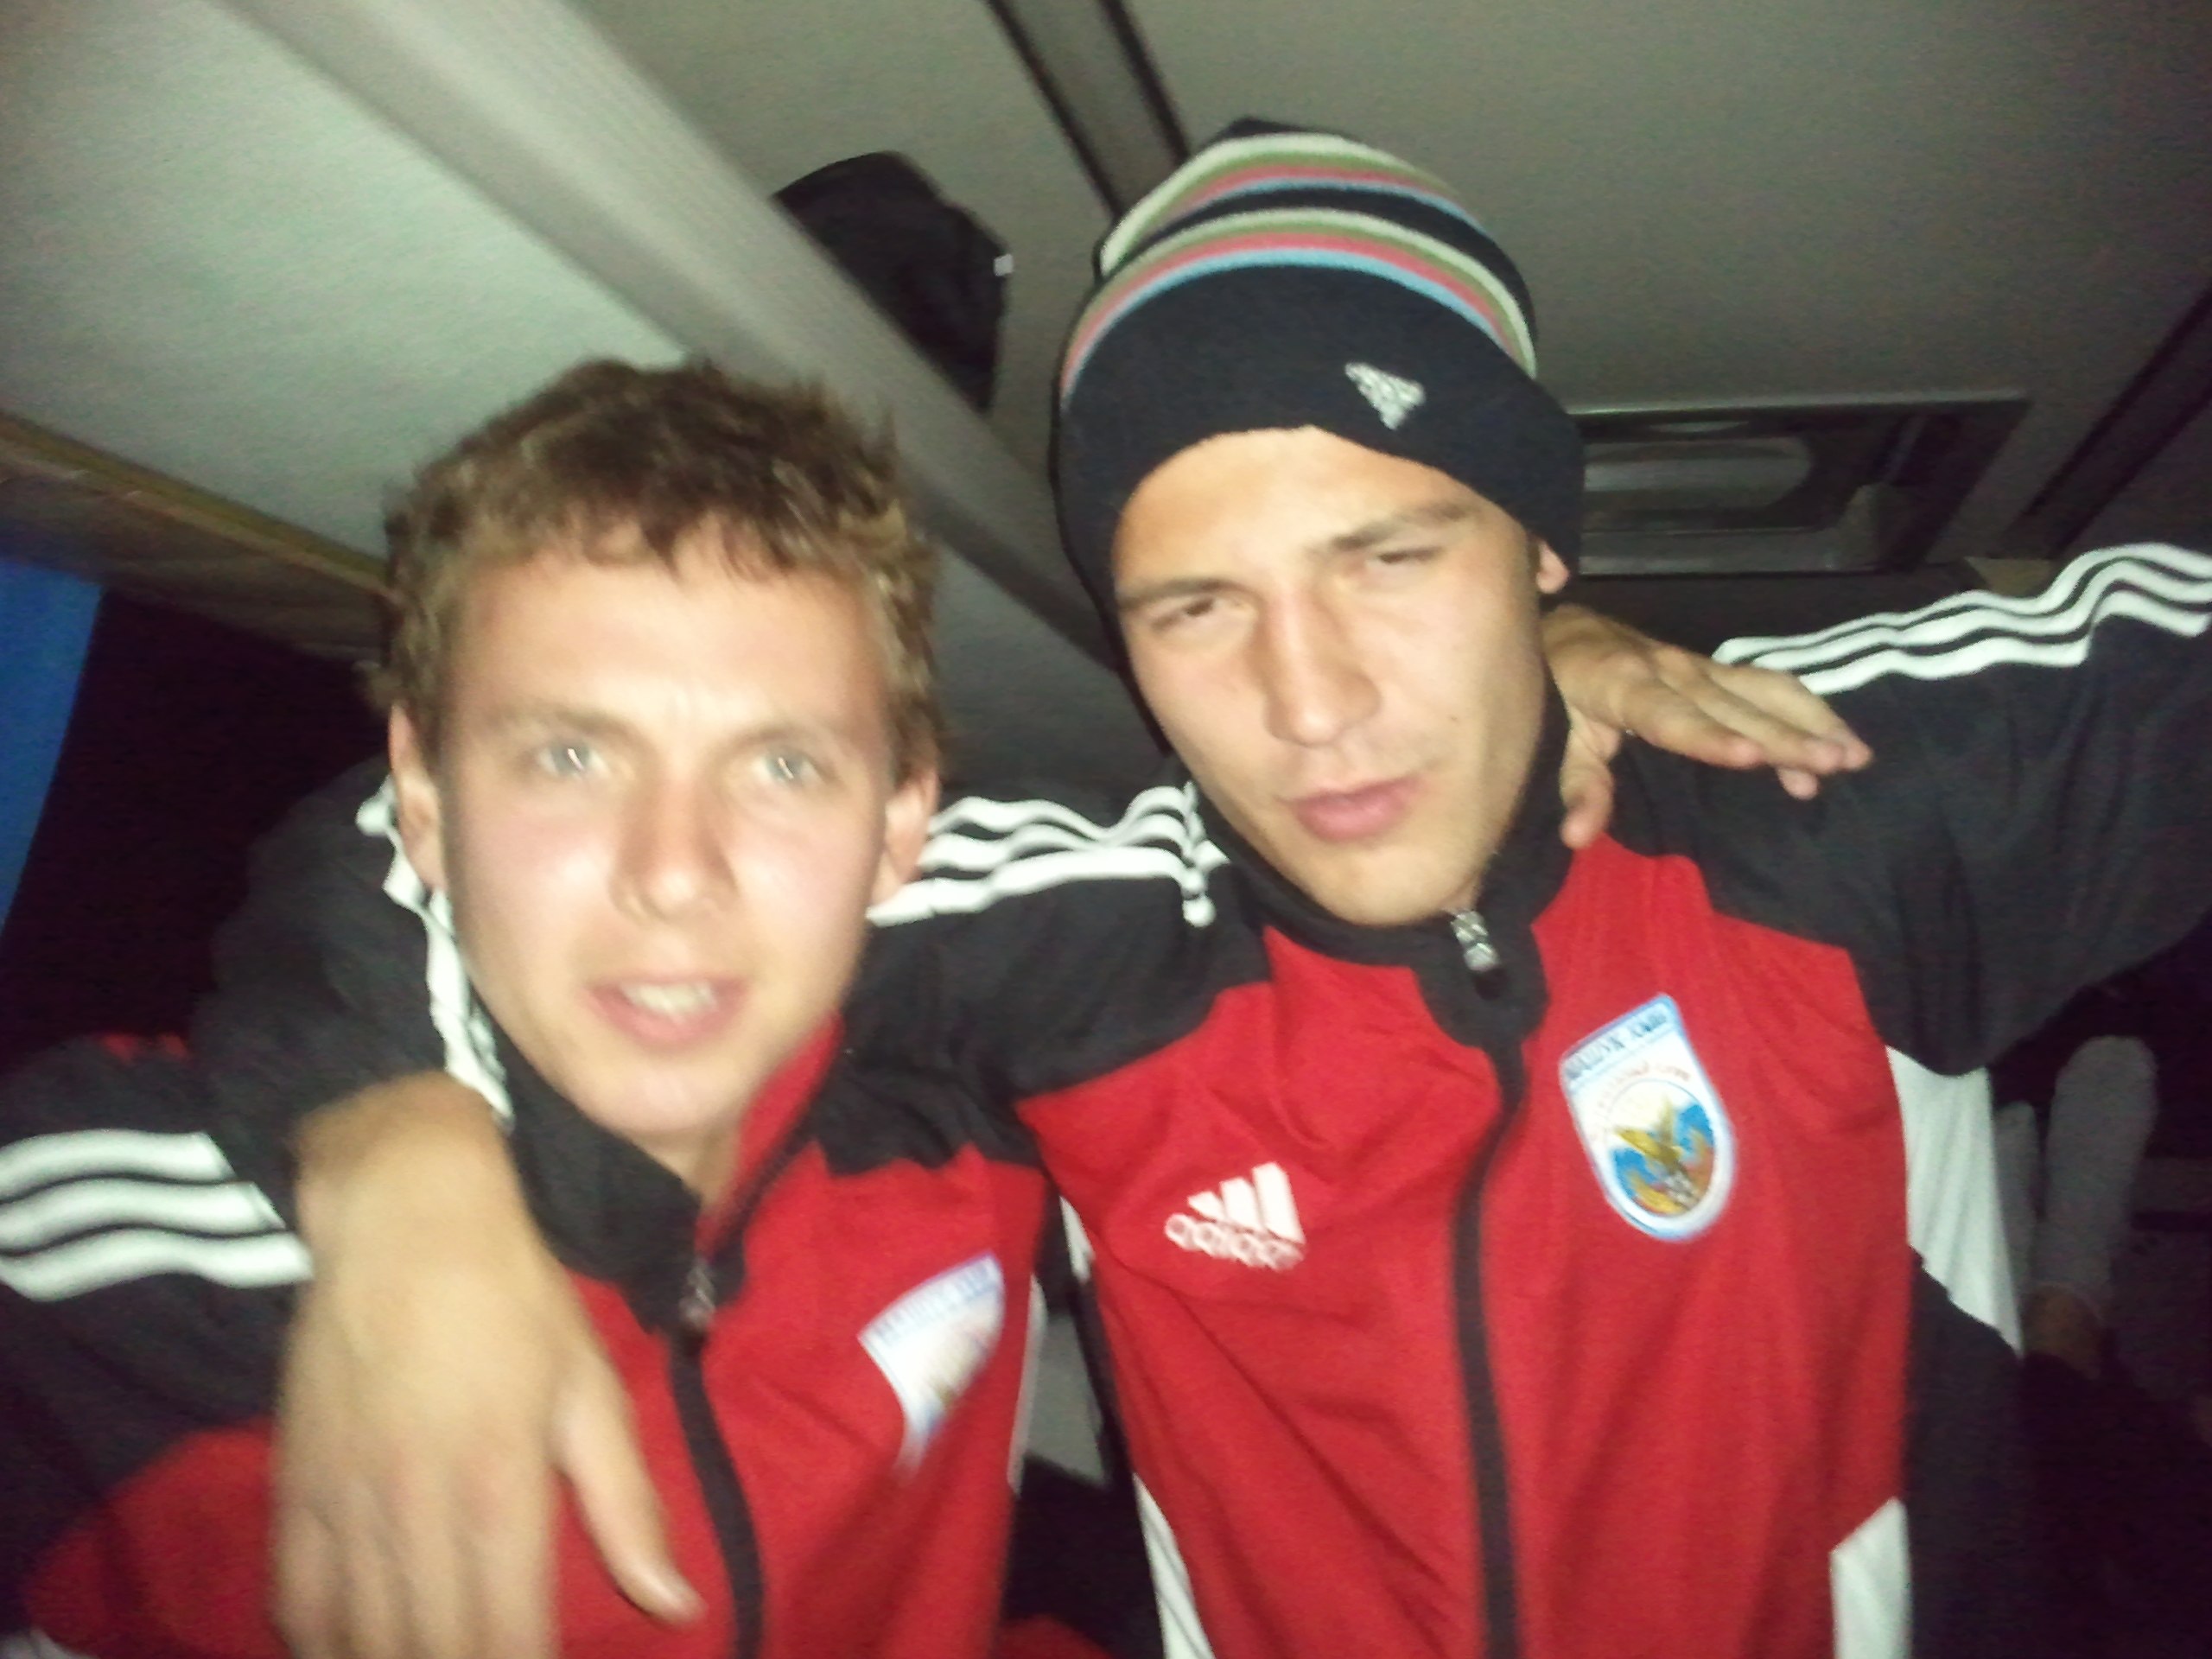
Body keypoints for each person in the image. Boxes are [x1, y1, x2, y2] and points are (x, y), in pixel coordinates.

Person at [179, 123, 2212, 1658]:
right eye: (1195, 607)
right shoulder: (1085, 943)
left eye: (1388, 558)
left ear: (1536, 550)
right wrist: (397, 1152)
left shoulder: (1818, 809)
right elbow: (497, 829)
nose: (1309, 705)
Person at [0, 363, 1053, 1659]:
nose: (674, 873)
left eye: (784, 766)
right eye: (571, 757)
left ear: (899, 826)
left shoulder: (995, 1099)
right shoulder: (111, 1250)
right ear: (423, 801)